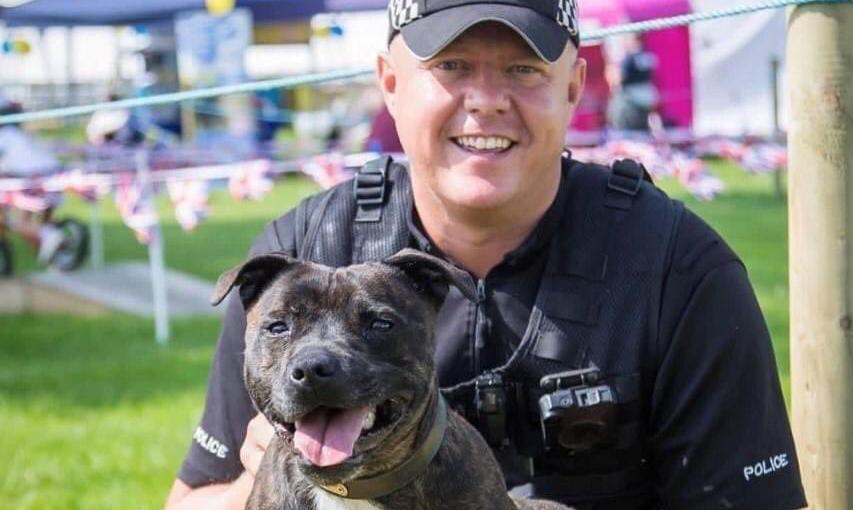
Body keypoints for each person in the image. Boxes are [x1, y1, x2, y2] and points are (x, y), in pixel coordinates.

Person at [165, 0, 808, 508]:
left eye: (523, 69)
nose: (486, 100)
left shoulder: (676, 267)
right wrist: (271, 482)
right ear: (390, 82)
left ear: (574, 86)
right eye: (451, 66)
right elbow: (192, 500)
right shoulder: (302, 256)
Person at [0, 97, 66, 263]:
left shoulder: (5, 137)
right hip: (53, 174)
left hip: (33, 178)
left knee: (16, 222)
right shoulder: (21, 134)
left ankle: (48, 236)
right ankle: (49, 238)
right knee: (37, 214)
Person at [607, 33, 660, 131]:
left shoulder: (629, 58)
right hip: (647, 98)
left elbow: (618, 80)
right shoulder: (648, 55)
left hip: (631, 101)